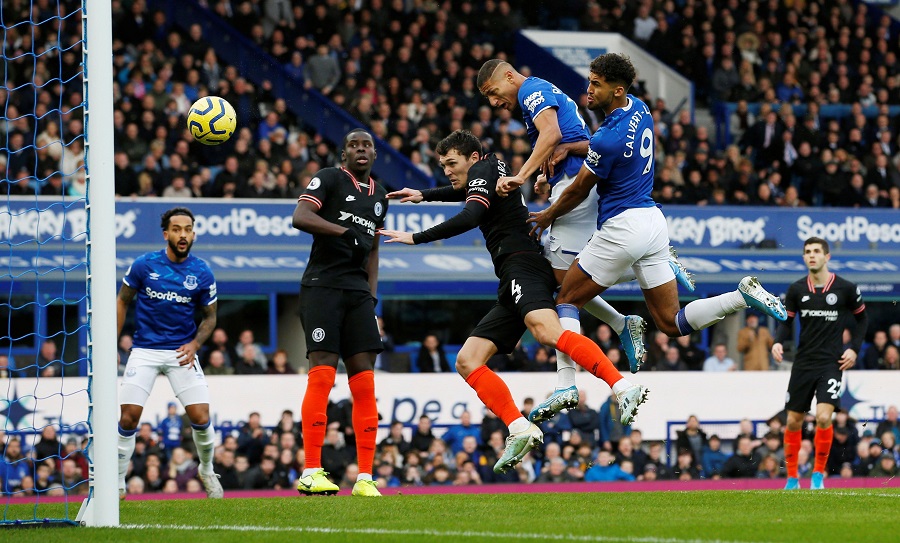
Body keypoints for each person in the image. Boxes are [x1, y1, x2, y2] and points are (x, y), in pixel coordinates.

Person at [380, 130, 648, 475]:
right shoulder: (488, 170)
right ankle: (519, 427)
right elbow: (466, 191)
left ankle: (622, 385)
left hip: (522, 264)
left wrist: (417, 237)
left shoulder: (483, 171)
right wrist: (424, 195)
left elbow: (471, 215)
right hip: (512, 275)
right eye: (442, 164)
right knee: (468, 360)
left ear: (472, 158)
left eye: (451, 162)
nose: (446, 169)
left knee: (546, 332)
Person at [526, 53, 787, 384]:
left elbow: (578, 191)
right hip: (653, 223)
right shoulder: (639, 108)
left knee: (565, 297)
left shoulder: (608, 138)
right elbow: (602, 146)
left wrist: (547, 214)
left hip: (622, 227)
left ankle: (566, 384)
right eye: (589, 81)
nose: (588, 90)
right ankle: (741, 296)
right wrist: (572, 148)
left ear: (617, 90)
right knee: (670, 323)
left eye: (596, 84)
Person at [477, 58, 695, 422]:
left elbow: (552, 136)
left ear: (510, 77)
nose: (493, 103)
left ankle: (568, 383)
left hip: (577, 191)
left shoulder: (530, 89)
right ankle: (623, 318)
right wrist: (549, 172)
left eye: (493, 93)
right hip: (573, 181)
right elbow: (572, 139)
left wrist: (522, 176)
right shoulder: (542, 90)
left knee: (562, 294)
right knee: (566, 282)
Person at [291, 128, 388, 498]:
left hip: (358, 293)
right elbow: (300, 216)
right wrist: (342, 231)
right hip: (323, 286)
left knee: (364, 381)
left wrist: (372, 296)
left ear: (374, 155)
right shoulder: (330, 178)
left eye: (367, 146)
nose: (361, 150)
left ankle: (364, 478)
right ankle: (311, 470)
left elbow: (374, 249)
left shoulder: (379, 196)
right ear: (343, 153)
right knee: (323, 376)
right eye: (354, 145)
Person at [116, 207, 222, 499]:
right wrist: (114, 344)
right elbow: (122, 301)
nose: (183, 234)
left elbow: (210, 317)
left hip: (181, 352)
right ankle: (118, 480)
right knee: (128, 417)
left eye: (188, 229)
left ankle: (207, 469)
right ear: (166, 234)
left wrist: (195, 344)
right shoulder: (144, 265)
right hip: (145, 350)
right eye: (177, 229)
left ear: (194, 232)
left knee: (201, 417)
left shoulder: (202, 271)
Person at [773, 236, 868, 490]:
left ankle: (817, 474)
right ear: (803, 257)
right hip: (803, 363)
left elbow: (862, 321)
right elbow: (785, 320)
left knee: (824, 416)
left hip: (831, 363)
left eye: (816, 251)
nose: (811, 255)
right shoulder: (796, 290)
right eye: (807, 251)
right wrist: (777, 341)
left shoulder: (846, 288)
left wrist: (854, 350)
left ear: (827, 256)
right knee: (793, 421)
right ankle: (792, 478)